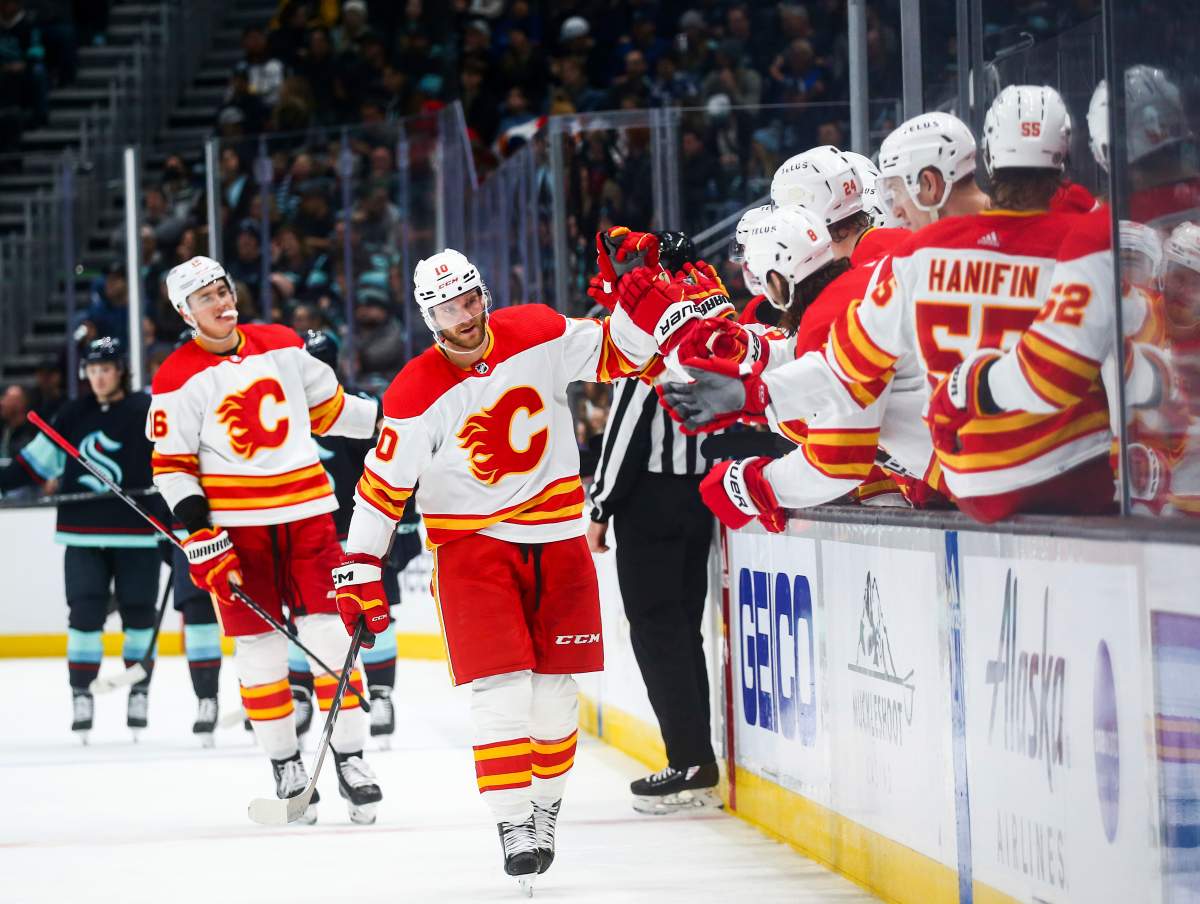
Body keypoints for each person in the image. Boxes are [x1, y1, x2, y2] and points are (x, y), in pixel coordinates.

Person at [331, 242, 723, 890]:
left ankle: (544, 810)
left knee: (554, 700)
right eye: (450, 307)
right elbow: (380, 490)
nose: (467, 314)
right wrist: (358, 570)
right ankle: (512, 821)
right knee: (501, 694)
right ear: (430, 317)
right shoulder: (415, 392)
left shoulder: (537, 330)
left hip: (559, 538)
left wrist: (640, 292)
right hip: (472, 550)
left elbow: (622, 355)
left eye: (471, 297)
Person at [675, 86, 1097, 526]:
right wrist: (761, 360)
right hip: (1086, 469)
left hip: (987, 489)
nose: (894, 210)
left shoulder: (905, 264)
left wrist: (756, 472)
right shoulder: (1078, 230)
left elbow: (843, 401)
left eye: (896, 192)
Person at [148, 255, 382, 824]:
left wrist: (394, 420)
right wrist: (202, 534)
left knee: (332, 635)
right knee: (260, 650)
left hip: (308, 517)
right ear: (185, 311)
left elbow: (330, 411)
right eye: (205, 297)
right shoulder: (175, 377)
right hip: (237, 532)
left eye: (224, 289)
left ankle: (350, 757)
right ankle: (285, 762)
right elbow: (172, 467)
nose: (221, 302)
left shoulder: (278, 343)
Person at [587, 230, 723, 814]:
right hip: (699, 495)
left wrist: (600, 505)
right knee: (681, 632)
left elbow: (627, 420)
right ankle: (697, 758)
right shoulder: (709, 301)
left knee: (657, 633)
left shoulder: (651, 316)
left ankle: (689, 762)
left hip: (652, 502)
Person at [0, 338, 160, 742]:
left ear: (120, 370)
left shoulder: (147, 411)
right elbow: (31, 467)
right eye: (92, 370)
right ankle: (81, 693)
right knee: (85, 615)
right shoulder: (72, 414)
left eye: (106, 369)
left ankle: (138, 689)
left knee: (140, 616)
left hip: (138, 534)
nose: (99, 377)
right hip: (83, 532)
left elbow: (174, 465)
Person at [875, 110, 989, 230]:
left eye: (897, 191)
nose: (896, 212)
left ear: (930, 184)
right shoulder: (1004, 230)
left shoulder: (936, 247)